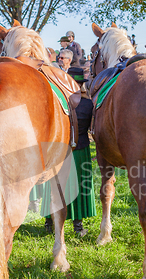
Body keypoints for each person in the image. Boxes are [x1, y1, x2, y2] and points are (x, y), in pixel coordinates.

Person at [43, 67, 96, 237]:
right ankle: (78, 225)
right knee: (79, 185)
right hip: (80, 148)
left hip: (58, 149)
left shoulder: (56, 101)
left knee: (53, 184)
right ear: (81, 84)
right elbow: (91, 129)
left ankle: (49, 222)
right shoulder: (88, 104)